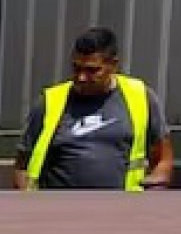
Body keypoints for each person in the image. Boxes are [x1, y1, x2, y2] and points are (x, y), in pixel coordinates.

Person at [15, 26, 173, 191]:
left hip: (122, 209)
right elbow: (22, 165)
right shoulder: (50, 101)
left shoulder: (140, 96)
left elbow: (163, 158)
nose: (82, 77)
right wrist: (27, 202)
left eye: (92, 70)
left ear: (113, 65)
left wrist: (155, 186)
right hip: (58, 210)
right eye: (76, 68)